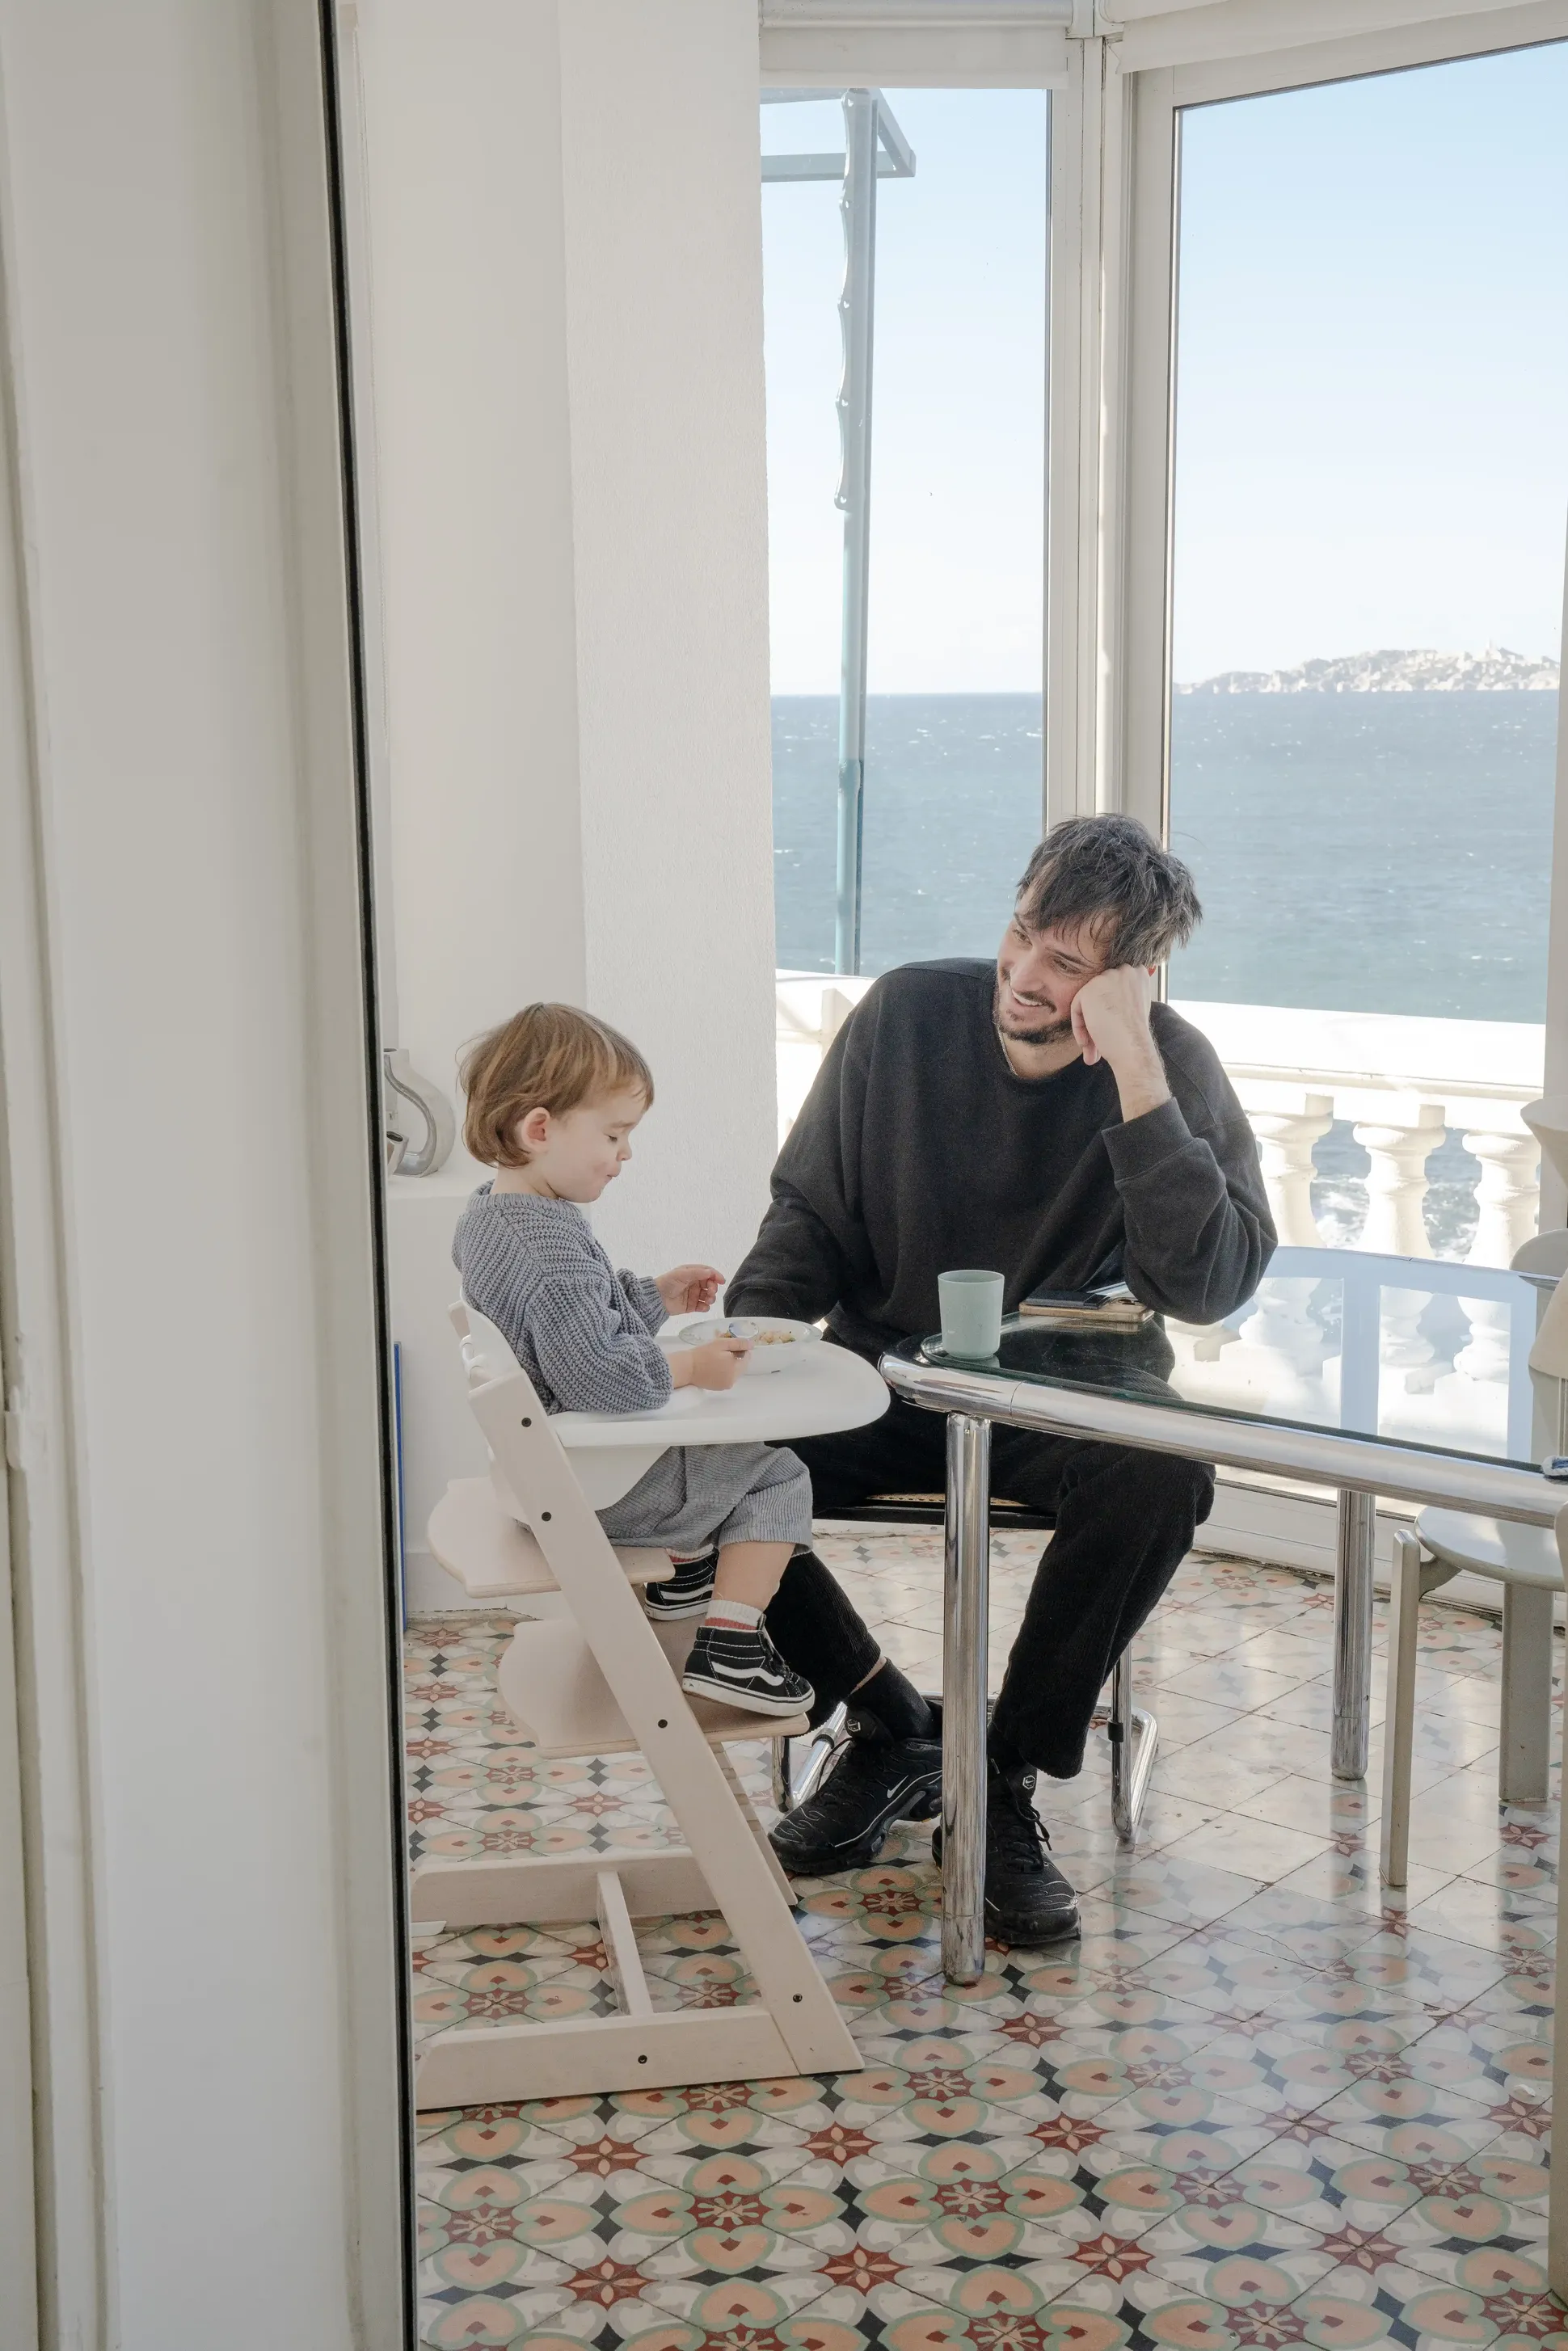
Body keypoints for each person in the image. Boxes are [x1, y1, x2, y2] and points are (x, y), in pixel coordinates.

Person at [727, 813, 1275, 1943]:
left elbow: (1209, 1282)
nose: (1024, 976)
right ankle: (893, 1725)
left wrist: (1134, 1067)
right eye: (1023, 934)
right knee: (697, 1460)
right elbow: (811, 1215)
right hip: (888, 1382)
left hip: (1064, 1403)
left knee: (1162, 1475)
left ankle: (1002, 1771)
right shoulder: (906, 1014)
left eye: (1067, 964)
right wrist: (750, 1350)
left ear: (1130, 979)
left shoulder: (1169, 1070)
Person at [453, 1002, 816, 1718]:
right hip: (596, 1484)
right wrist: (692, 1368)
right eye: (614, 1134)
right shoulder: (548, 1250)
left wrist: (654, 1296)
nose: (625, 1154)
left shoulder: (492, 1216)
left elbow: (566, 1330)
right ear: (539, 1128)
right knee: (776, 1473)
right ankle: (733, 1645)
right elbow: (604, 1375)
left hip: (552, 1467)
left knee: (710, 1449)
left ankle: (684, 1577)